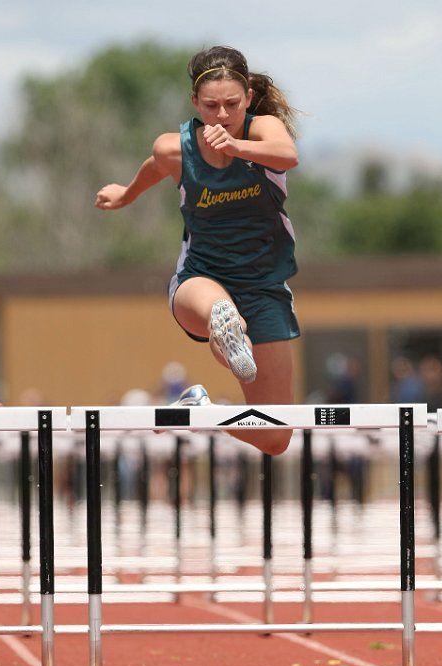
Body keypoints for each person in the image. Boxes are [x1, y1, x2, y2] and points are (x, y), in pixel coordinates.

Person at [95, 46, 301, 455]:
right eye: (211, 106)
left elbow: (288, 156)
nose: (222, 115)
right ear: (194, 102)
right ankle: (225, 328)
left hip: (263, 288)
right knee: (221, 312)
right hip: (201, 280)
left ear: (247, 98)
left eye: (231, 104)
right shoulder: (176, 147)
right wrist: (126, 194)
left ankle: (204, 409)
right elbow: (155, 166)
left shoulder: (264, 131)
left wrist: (235, 148)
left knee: (276, 436)